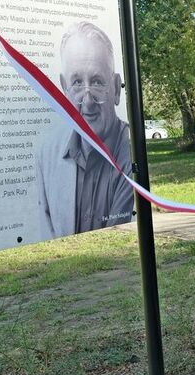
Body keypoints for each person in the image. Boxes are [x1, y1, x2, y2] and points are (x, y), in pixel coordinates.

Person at [33, 22, 134, 239]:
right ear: (64, 90)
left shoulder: (133, 154)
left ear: (116, 88)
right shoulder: (46, 153)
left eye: (97, 82)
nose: (87, 101)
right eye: (77, 82)